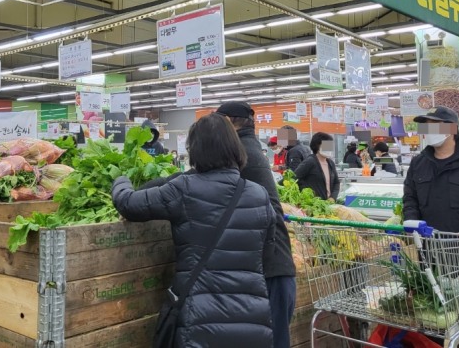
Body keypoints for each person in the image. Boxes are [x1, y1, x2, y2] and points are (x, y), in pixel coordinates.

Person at [112, 113, 275, 347]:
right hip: (253, 319)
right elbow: (266, 253)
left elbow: (129, 204)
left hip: (201, 319)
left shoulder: (185, 188)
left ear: (196, 149)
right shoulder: (259, 194)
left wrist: (121, 180)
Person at [402, 106, 459, 348]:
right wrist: (411, 222)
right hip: (430, 253)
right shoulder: (418, 164)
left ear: (451, 130)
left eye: (434, 126)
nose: (428, 132)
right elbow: (410, 199)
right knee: (432, 315)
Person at [215, 102, 296, 348]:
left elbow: (193, 180)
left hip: (270, 270)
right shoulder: (248, 147)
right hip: (274, 266)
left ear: (229, 121)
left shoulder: (239, 152)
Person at [294, 132, 340, 201]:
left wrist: (333, 197)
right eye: (326, 145)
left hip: (328, 205)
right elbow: (294, 178)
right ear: (317, 145)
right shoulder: (310, 162)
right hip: (314, 205)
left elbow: (336, 182)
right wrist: (307, 193)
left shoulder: (330, 163)